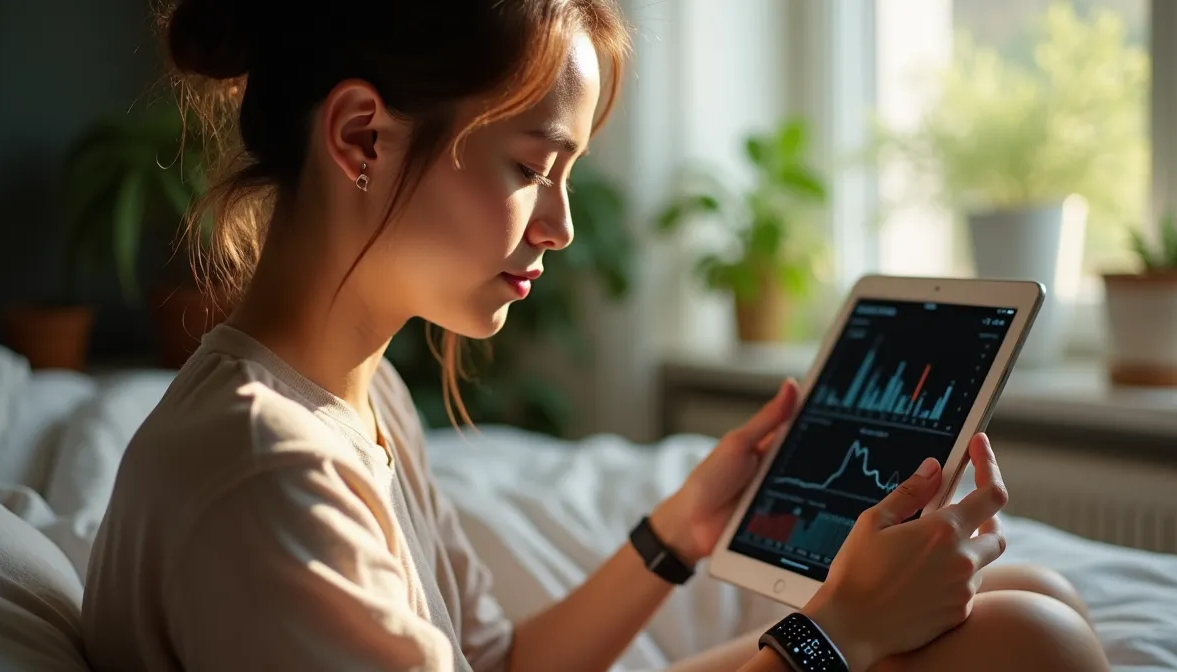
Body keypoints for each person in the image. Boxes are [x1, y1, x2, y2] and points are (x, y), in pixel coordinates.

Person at [80, 1, 1110, 671]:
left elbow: (502, 666)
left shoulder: (357, 395)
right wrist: (835, 634)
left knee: (1023, 595)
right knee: (1029, 638)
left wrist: (679, 530)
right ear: (360, 138)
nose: (561, 226)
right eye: (531, 167)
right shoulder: (268, 473)